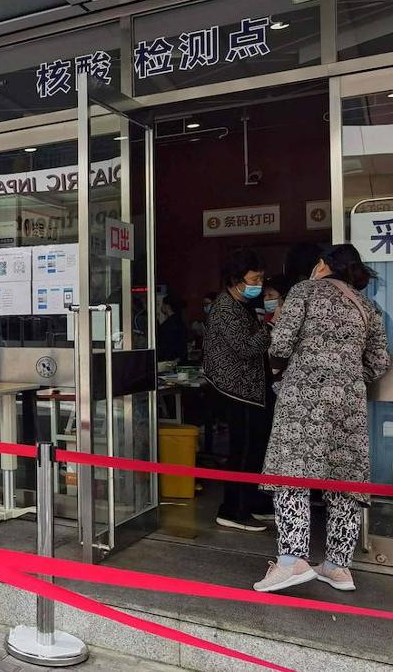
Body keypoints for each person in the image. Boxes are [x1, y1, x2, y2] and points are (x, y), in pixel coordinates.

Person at [255, 244, 390, 593]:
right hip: (348, 403)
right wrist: (346, 377)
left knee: (291, 473)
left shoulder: (305, 291)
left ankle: (292, 561)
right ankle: (338, 566)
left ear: (324, 265)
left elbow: (280, 344)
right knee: (344, 480)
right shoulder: (367, 307)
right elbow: (379, 362)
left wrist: (286, 374)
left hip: (303, 398)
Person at [202, 248, 272, 532]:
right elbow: (246, 348)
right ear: (235, 279)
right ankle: (232, 509)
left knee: (255, 448)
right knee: (241, 451)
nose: (259, 284)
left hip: (250, 389)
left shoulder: (243, 304)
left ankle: (252, 502)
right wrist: (272, 325)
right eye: (254, 279)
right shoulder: (225, 309)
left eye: (261, 278)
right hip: (235, 390)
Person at [157, 293, 188, 365]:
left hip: (169, 361)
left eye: (163, 304)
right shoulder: (180, 322)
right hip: (178, 360)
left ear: (167, 306)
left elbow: (164, 346)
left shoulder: (167, 325)